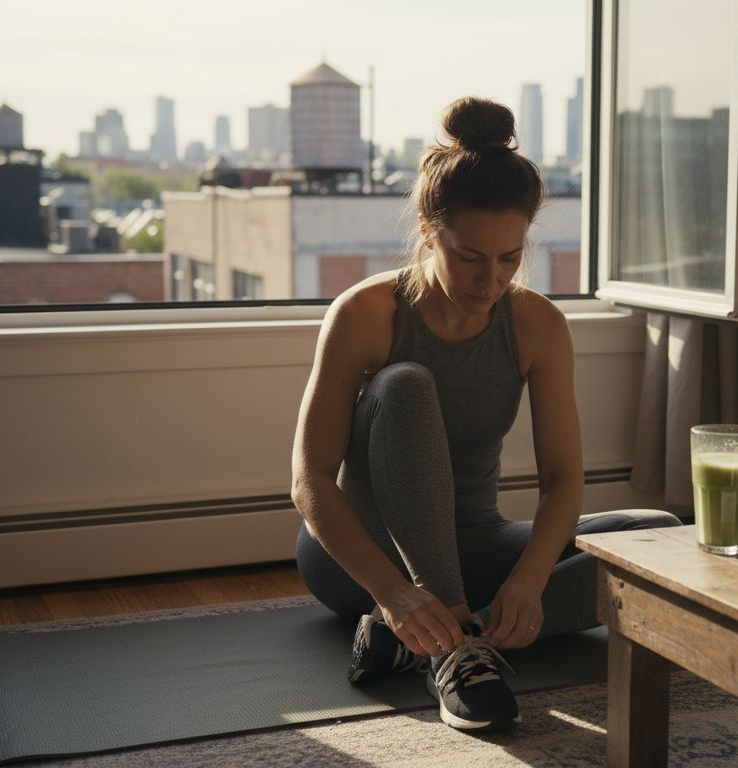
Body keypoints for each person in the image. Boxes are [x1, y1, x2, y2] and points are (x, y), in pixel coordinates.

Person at [290, 96, 681, 733]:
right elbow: (309, 482)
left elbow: (563, 483)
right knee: (407, 385)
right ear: (426, 229)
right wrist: (393, 592)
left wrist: (527, 584)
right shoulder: (365, 314)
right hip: (361, 559)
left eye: (509, 257)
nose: (489, 280)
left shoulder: (538, 326)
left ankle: (429, 637)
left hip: (478, 543)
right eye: (470, 257)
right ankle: (447, 646)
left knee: (657, 535)